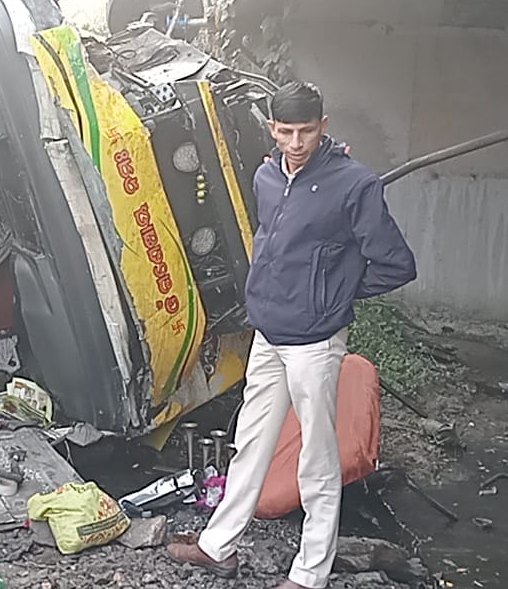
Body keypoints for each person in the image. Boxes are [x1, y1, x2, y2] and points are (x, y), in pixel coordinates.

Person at [167, 81, 416, 589]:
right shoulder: (266, 176)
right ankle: (218, 547)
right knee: (250, 442)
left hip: (316, 342)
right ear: (272, 129)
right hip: (269, 332)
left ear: (323, 127)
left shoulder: (355, 184)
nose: (296, 142)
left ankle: (309, 575)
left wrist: (331, 294)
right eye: (286, 132)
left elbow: (396, 264)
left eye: (306, 131)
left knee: (317, 458)